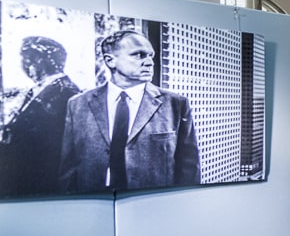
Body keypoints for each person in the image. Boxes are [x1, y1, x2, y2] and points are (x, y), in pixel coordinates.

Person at [59, 29, 200, 193]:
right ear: (111, 60)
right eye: (139, 55)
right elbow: (68, 168)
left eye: (150, 56)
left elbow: (189, 168)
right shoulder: (78, 104)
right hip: (93, 202)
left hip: (153, 204)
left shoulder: (175, 104)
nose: (149, 62)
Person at [0, 36, 81, 197]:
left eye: (25, 57)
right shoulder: (38, 90)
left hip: (43, 182)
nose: (22, 64)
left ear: (38, 59)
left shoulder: (66, 92)